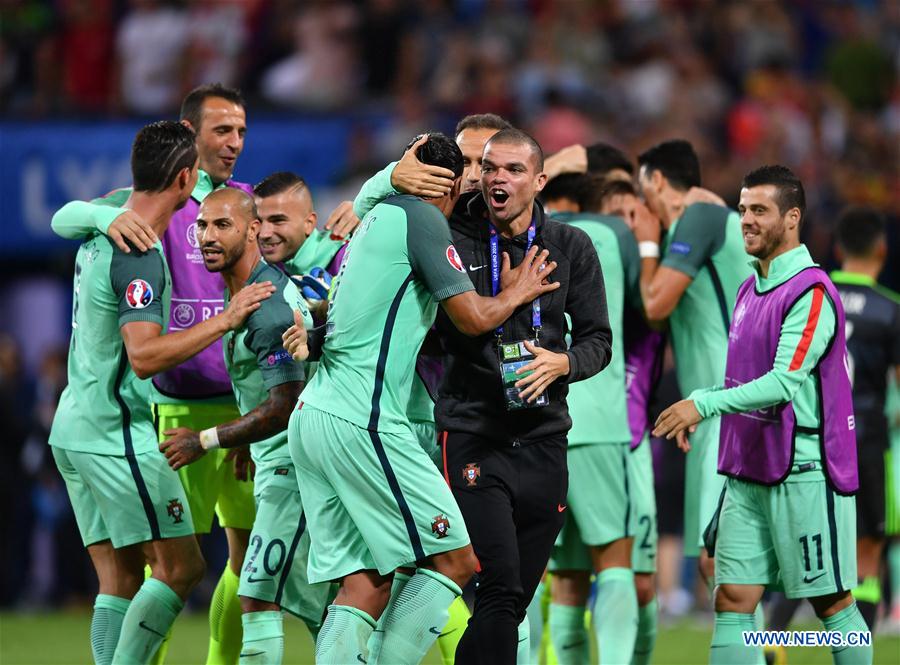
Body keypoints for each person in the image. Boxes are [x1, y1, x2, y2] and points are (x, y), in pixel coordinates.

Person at [283, 132, 561, 665]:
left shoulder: (372, 221)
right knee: (457, 560)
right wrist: (517, 291)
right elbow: (473, 317)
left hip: (315, 414)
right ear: (451, 184)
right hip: (363, 418)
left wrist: (387, 176)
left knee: (365, 582)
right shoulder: (423, 220)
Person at [48, 121, 274, 665]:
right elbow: (145, 357)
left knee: (121, 576)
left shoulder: (104, 227)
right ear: (184, 177)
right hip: (115, 432)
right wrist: (226, 318)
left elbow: (64, 216)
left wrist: (101, 213)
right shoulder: (142, 251)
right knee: (183, 567)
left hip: (72, 426)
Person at [654, 165, 872, 665]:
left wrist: (701, 404)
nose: (746, 220)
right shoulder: (749, 289)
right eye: (743, 209)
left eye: (759, 211)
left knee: (832, 605)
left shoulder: (812, 292)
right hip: (748, 469)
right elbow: (742, 381)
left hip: (805, 474)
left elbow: (780, 383)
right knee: (732, 599)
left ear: (791, 218)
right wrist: (705, 411)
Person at [159, 188, 334, 664]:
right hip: (286, 461)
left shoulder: (267, 305)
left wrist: (207, 439)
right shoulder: (248, 291)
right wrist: (246, 435)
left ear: (252, 230)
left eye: (222, 226)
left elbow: (284, 403)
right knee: (324, 606)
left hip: (295, 469)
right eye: (202, 226)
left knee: (257, 590)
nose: (207, 237)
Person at [541, 174, 661, 665]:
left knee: (561, 575)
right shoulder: (613, 234)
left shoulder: (528, 232)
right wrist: (649, 239)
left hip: (536, 418)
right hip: (598, 420)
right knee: (614, 558)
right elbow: (650, 306)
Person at [769, 207, 900, 637]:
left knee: (809, 545)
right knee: (867, 550)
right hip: (866, 439)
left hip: (812, 437)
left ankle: (771, 645)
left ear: (839, 249)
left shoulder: (811, 295)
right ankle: (854, 649)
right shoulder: (891, 310)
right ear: (882, 249)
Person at [633, 139, 753, 587]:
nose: (640, 201)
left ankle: (764, 653)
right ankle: (764, 653)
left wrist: (646, 246)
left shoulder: (698, 217)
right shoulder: (693, 227)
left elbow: (656, 304)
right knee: (719, 560)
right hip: (709, 408)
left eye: (641, 185)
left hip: (729, 406)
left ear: (658, 179)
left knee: (720, 558)